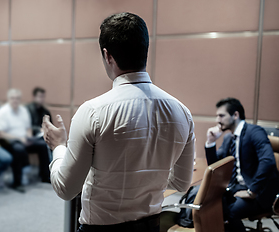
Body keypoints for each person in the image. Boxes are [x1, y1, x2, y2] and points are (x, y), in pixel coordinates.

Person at [42, 12, 195, 232]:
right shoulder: (182, 112)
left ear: (107, 55)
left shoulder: (92, 112)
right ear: (145, 51)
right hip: (151, 226)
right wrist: (146, 182)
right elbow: (181, 183)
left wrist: (58, 147)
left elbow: (66, 189)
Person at [205, 98, 279, 232]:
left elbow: (268, 161)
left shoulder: (254, 132)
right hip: (236, 187)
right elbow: (215, 166)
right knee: (211, 204)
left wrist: (252, 191)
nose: (217, 120)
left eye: (221, 115)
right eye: (217, 116)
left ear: (235, 115)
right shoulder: (229, 138)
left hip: (258, 192)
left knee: (230, 212)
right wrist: (210, 142)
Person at [0, 89, 51, 192]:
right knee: (19, 149)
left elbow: (28, 128)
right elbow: (1, 134)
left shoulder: (23, 110)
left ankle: (45, 176)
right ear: (8, 99)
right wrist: (19, 138)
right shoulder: (3, 112)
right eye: (12, 98)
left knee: (42, 145)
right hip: (8, 141)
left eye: (17, 98)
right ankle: (17, 182)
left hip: (24, 139)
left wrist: (29, 137)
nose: (15, 100)